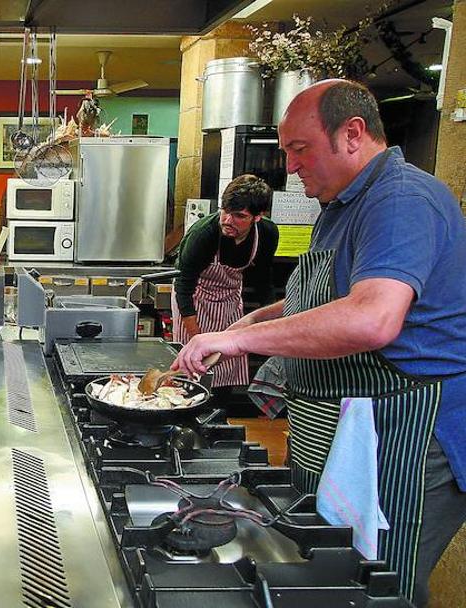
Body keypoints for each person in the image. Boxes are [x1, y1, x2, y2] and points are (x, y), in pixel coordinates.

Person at [173, 79, 466, 606]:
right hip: (345, 425)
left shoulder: (401, 199)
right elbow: (313, 301)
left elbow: (371, 319)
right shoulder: (343, 204)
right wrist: (237, 329)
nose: (290, 167)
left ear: (352, 134)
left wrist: (243, 343)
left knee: (375, 582)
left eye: (299, 149)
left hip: (404, 434)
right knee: (327, 566)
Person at [171, 174, 278, 392]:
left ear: (258, 217)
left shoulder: (267, 233)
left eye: (239, 216)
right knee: (192, 371)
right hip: (194, 302)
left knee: (225, 373)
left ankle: (220, 413)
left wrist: (273, 328)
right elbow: (183, 287)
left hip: (229, 302)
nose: (227, 220)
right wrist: (198, 339)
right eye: (225, 211)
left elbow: (262, 281)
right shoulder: (204, 234)